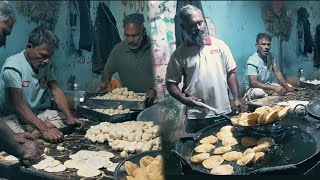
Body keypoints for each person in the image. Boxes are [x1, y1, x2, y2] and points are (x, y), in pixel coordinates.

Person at [165, 5, 243, 133]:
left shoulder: (220, 46)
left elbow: (231, 73)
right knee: (198, 150)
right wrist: (182, 98)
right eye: (192, 24)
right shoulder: (179, 54)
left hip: (223, 110)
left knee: (227, 146)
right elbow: (170, 83)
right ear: (183, 27)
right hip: (197, 116)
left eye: (200, 22)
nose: (198, 28)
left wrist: (236, 98)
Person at [0, 25, 84, 144]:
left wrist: (69, 116)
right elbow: (17, 104)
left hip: (33, 115)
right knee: (12, 138)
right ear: (29, 47)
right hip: (10, 117)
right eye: (43, 56)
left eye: (49, 57)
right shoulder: (13, 66)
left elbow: (56, 90)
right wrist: (44, 129)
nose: (46, 61)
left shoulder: (46, 65)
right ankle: (34, 132)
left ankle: (32, 131)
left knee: (63, 118)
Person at [0, 1, 44, 160]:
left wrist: (13, 136)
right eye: (4, 33)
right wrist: (21, 150)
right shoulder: (13, 64)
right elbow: (17, 104)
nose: (3, 42)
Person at [96, 13, 156, 105]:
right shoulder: (118, 50)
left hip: (156, 103)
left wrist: (154, 90)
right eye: (127, 36)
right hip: (129, 104)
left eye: (135, 35)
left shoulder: (157, 49)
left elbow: (168, 77)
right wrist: (106, 82)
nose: (131, 40)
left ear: (143, 32)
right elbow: (107, 71)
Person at [245, 33, 297, 100]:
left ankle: (270, 94)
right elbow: (254, 83)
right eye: (263, 44)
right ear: (257, 46)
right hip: (254, 89)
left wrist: (287, 87)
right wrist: (274, 88)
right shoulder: (252, 61)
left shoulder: (271, 56)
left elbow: (277, 71)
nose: (266, 47)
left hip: (268, 86)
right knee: (260, 93)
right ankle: (268, 95)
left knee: (287, 88)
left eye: (268, 44)